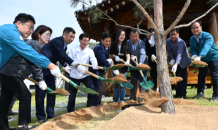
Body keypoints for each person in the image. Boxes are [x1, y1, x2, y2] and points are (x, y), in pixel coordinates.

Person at [0, 13, 61, 130]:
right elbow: (30, 55)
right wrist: (51, 66)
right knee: (25, 96)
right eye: (29, 27)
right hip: (10, 73)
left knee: (5, 100)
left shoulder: (19, 37)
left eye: (32, 28)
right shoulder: (11, 33)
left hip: (5, 72)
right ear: (18, 23)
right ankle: (22, 126)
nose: (30, 30)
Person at [39, 27, 76, 121]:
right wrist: (73, 63)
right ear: (64, 34)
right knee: (41, 93)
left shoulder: (65, 46)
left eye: (73, 38)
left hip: (52, 69)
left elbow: (60, 57)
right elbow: (63, 54)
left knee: (52, 92)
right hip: (42, 67)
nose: (72, 39)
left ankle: (50, 114)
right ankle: (41, 117)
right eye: (70, 36)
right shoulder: (58, 41)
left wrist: (65, 65)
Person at [24, 25, 53, 123]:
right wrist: (40, 80)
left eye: (50, 35)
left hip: (12, 72)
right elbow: (36, 63)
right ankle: (23, 124)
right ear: (39, 34)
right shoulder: (35, 44)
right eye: (47, 35)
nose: (49, 37)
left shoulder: (36, 44)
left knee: (20, 96)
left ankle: (22, 123)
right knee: (25, 96)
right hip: (14, 72)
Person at [68, 33, 98, 112]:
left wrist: (95, 64)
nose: (85, 42)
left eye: (87, 41)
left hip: (85, 75)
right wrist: (76, 66)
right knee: (72, 94)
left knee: (92, 90)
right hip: (74, 75)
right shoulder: (73, 49)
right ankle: (70, 111)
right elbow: (69, 62)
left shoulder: (90, 50)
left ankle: (89, 107)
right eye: (84, 40)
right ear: (79, 40)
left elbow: (93, 59)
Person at [190, 21, 218, 101]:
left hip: (213, 57)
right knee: (201, 76)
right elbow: (193, 49)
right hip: (202, 60)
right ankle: (200, 93)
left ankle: (216, 94)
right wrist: (194, 55)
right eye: (193, 28)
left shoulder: (208, 35)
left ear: (201, 27)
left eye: (197, 27)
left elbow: (206, 47)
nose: (195, 29)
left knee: (215, 76)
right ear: (191, 29)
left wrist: (200, 56)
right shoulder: (192, 38)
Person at [166, 29, 191, 99]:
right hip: (175, 61)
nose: (173, 36)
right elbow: (169, 51)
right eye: (171, 34)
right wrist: (172, 59)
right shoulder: (168, 41)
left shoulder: (181, 42)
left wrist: (176, 64)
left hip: (183, 61)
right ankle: (177, 93)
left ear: (178, 34)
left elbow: (179, 54)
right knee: (175, 77)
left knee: (182, 77)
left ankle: (183, 94)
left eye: (175, 34)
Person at [89, 33, 112, 106]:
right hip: (95, 71)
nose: (108, 43)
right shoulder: (98, 47)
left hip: (101, 70)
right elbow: (102, 59)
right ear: (102, 40)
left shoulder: (107, 48)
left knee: (101, 87)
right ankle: (93, 104)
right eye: (106, 41)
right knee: (96, 88)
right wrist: (111, 67)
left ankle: (97, 103)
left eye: (109, 41)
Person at [109, 29, 130, 102]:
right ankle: (115, 100)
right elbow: (110, 55)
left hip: (123, 68)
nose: (122, 36)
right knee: (115, 84)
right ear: (118, 35)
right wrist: (115, 56)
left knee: (123, 84)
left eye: (123, 35)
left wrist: (128, 60)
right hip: (115, 68)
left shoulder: (126, 45)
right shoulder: (113, 44)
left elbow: (128, 54)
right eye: (121, 34)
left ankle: (122, 100)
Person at [127, 29, 147, 101]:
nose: (135, 38)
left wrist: (140, 63)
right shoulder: (127, 42)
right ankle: (132, 98)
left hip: (142, 66)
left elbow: (142, 53)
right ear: (129, 36)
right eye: (133, 36)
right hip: (133, 66)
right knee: (133, 82)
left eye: (136, 36)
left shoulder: (141, 43)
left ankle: (141, 99)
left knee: (142, 83)